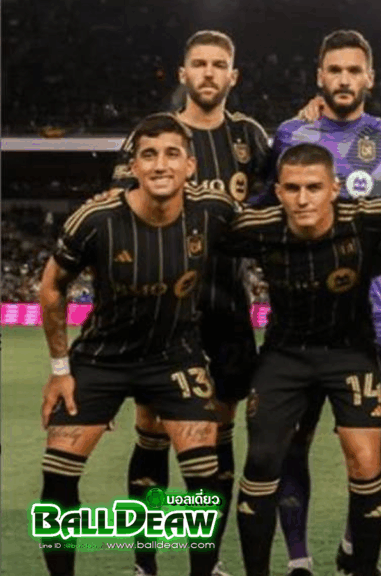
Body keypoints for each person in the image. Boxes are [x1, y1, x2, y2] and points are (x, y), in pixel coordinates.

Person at [39, 114, 236, 576]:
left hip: (175, 354)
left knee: (204, 476)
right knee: (57, 475)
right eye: (149, 155)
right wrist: (60, 370)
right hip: (102, 357)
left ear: (190, 165)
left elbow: (274, 231)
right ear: (134, 167)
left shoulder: (215, 211)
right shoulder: (96, 219)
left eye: (171, 154)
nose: (160, 164)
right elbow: (51, 286)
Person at [259, 29, 381, 576]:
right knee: (290, 446)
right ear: (319, 76)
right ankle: (298, 560)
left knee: (369, 450)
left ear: (369, 77)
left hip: (365, 325)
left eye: (354, 70)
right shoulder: (290, 134)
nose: (344, 79)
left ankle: (355, 551)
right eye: (335, 70)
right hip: (294, 326)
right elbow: (261, 208)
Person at [109, 31, 269, 576]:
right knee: (153, 431)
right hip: (161, 314)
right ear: (183, 73)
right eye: (198, 63)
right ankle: (146, 564)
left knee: (218, 435)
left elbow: (287, 192)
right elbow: (119, 214)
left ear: (232, 76)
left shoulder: (249, 137)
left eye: (218, 64)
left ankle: (208, 561)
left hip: (227, 309)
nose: (208, 73)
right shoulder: (154, 135)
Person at [227, 144, 381, 576]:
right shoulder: (257, 227)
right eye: (292, 188)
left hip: (350, 352)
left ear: (334, 189)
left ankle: (360, 568)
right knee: (262, 460)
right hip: (285, 355)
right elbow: (197, 221)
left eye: (314, 187)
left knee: (366, 461)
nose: (303, 199)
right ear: (278, 192)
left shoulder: (367, 220)